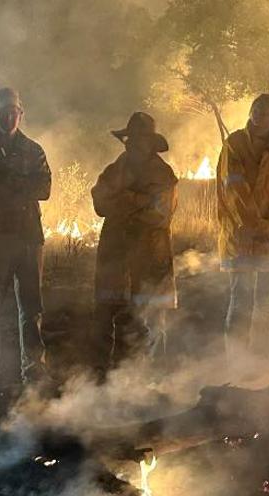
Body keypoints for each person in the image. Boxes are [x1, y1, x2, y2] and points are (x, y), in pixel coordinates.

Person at [91, 112, 178, 371]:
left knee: (151, 316)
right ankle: (106, 376)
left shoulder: (163, 174)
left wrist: (125, 201)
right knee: (108, 311)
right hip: (115, 252)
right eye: (132, 139)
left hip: (152, 253)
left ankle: (150, 377)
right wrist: (139, 200)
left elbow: (160, 215)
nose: (135, 144)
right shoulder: (113, 170)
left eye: (141, 139)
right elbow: (100, 203)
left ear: (151, 143)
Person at [0, 87, 52, 387]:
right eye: (4, 110)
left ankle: (33, 369)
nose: (10, 116)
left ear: (21, 114)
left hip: (27, 237)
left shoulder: (34, 150)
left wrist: (6, 186)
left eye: (15, 111)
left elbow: (44, 189)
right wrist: (19, 186)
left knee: (31, 307)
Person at [216, 94, 269, 357]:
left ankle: (260, 363)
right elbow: (234, 189)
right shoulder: (235, 144)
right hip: (241, 235)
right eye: (256, 110)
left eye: (266, 112)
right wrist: (254, 225)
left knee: (264, 302)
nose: (259, 115)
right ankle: (236, 362)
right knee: (240, 300)